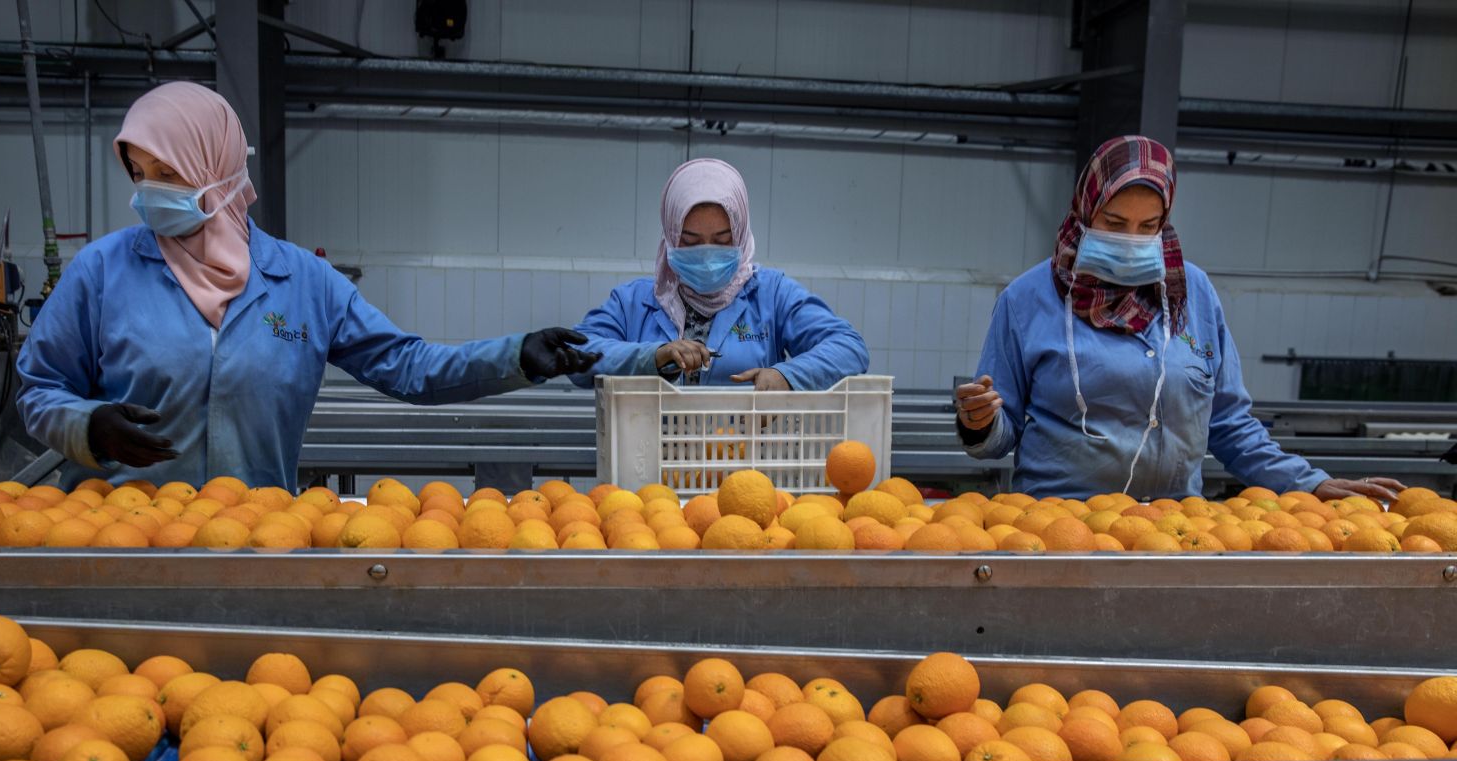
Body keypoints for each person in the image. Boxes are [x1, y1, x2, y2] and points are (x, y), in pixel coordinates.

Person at [17, 81, 596, 491]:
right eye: (140, 175)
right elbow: (39, 389)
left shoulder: (302, 283)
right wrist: (86, 427)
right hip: (123, 538)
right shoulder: (102, 272)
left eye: (170, 174)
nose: (150, 193)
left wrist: (516, 356)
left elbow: (409, 366)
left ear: (216, 165)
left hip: (253, 541)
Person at [956, 135, 1405, 503]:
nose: (1131, 239)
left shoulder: (1195, 294)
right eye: (1113, 222)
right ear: (1085, 210)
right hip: (1059, 534)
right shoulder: (1028, 299)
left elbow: (1229, 424)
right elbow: (999, 436)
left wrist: (1308, 483)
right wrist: (979, 423)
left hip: (1174, 534)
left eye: (1147, 226)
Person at [570, 158, 868, 390]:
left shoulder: (772, 295)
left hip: (745, 464)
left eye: (723, 240)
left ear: (739, 235)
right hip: (650, 462)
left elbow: (848, 347)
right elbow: (574, 354)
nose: (708, 254)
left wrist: (786, 375)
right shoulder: (632, 303)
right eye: (690, 241)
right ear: (671, 236)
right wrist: (653, 356)